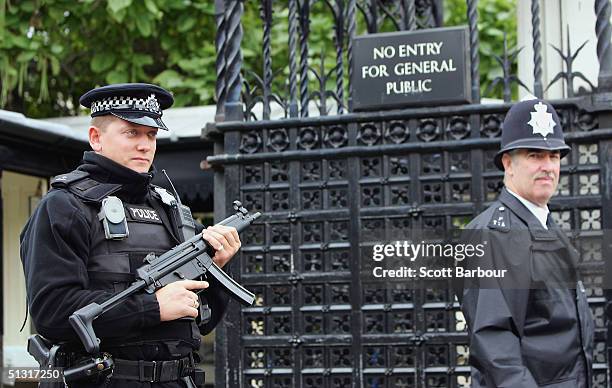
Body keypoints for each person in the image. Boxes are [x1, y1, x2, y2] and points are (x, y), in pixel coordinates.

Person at [20, 83, 241, 388]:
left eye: (151, 135)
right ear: (96, 138)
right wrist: (152, 307)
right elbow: (53, 312)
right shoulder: (65, 206)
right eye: (131, 133)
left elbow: (201, 322)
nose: (145, 145)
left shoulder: (170, 207)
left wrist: (216, 268)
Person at [458, 98, 594, 387]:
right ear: (508, 163)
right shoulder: (492, 236)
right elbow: (497, 348)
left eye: (554, 156)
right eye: (535, 155)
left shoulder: (546, 227)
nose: (547, 166)